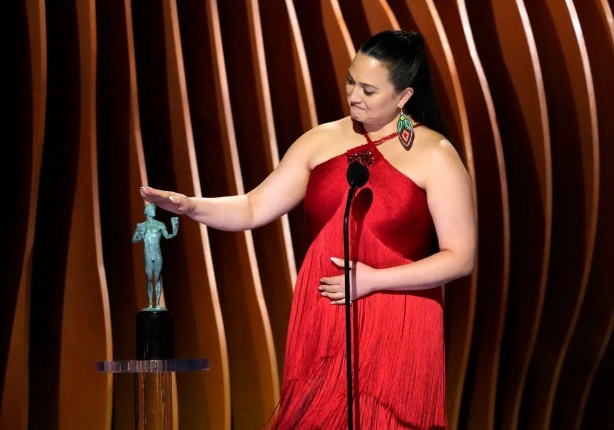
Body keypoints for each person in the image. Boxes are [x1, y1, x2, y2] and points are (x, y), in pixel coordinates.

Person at [140, 30, 475, 429]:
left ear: (404, 96)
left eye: (369, 90)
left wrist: (374, 279)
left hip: (399, 315)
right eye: (350, 81)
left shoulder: (435, 154)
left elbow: (460, 258)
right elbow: (252, 207)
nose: (354, 96)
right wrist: (191, 206)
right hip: (327, 309)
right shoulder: (321, 140)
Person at [132, 203, 179, 309]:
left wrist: (175, 230)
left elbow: (167, 236)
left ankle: (157, 303)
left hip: (157, 255)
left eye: (154, 209)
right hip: (148, 255)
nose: (154, 211)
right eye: (152, 209)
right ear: (147, 212)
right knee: (149, 278)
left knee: (157, 278)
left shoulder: (160, 224)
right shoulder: (142, 225)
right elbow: (134, 240)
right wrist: (140, 234)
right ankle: (150, 303)